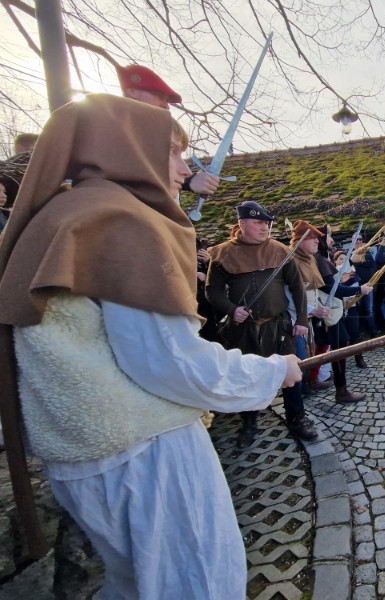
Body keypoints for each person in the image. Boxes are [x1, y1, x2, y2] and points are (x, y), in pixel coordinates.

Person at [0, 94, 302, 598]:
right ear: (128, 148)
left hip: (85, 452)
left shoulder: (63, 215)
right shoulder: (122, 221)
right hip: (142, 452)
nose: (186, 170)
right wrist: (272, 373)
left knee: (136, 585)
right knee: (200, 583)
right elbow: (170, 362)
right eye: (175, 153)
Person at [205, 200, 316, 446]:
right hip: (243, 329)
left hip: (278, 326)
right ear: (242, 224)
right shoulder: (223, 253)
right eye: (258, 223)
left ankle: (297, 417)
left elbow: (298, 288)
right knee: (248, 376)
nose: (264, 227)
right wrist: (232, 310)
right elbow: (212, 291)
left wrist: (301, 320)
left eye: (266, 223)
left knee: (291, 374)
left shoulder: (279, 250)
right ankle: (249, 421)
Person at [290, 221, 370, 402]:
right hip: (315, 314)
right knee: (331, 349)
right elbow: (328, 287)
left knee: (327, 347)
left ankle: (317, 382)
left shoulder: (314, 258)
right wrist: (358, 290)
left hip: (322, 311)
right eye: (327, 235)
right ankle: (337, 390)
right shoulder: (315, 259)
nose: (330, 239)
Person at [116, 63, 220, 197]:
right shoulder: (114, 132)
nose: (166, 106)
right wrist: (188, 182)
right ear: (133, 91)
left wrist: (187, 182)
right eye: (159, 96)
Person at [351, 233, 379, 337]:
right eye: (356, 239)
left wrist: (358, 260)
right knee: (356, 309)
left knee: (369, 309)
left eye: (360, 239)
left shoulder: (367, 253)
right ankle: (359, 331)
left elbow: (370, 264)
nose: (358, 241)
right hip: (353, 287)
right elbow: (350, 264)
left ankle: (373, 331)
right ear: (352, 241)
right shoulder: (349, 253)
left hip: (367, 286)